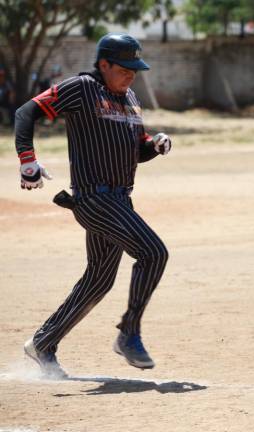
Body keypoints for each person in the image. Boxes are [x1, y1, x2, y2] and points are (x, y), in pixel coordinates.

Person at [15, 33, 173, 379]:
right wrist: (28, 160)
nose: (131, 74)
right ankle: (128, 332)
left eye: (135, 68)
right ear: (104, 64)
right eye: (125, 68)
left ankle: (43, 343)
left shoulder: (130, 98)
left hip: (119, 200)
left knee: (99, 280)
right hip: (94, 198)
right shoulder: (82, 88)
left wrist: (154, 145)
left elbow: (136, 149)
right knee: (153, 253)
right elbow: (26, 112)